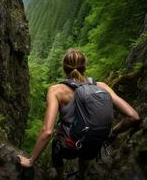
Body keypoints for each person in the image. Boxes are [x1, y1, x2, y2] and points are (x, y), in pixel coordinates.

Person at [18, 49, 141, 180]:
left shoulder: (57, 90)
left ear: (64, 68)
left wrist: (31, 161)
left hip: (69, 146)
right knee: (87, 143)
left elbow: (47, 131)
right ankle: (82, 176)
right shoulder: (102, 86)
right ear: (85, 67)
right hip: (93, 145)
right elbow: (133, 117)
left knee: (56, 145)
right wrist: (112, 133)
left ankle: (61, 176)